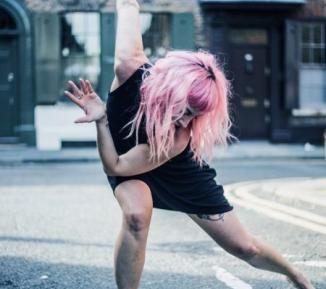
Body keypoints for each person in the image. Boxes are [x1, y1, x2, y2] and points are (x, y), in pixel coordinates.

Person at [64, 1, 315, 289]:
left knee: (245, 248)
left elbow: (126, 161)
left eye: (195, 117)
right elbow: (116, 166)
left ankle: (295, 275)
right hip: (124, 160)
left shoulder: (180, 137)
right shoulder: (129, 68)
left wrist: (108, 122)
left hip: (177, 171)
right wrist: (101, 121)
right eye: (185, 111)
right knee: (136, 214)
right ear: (169, 91)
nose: (187, 122)